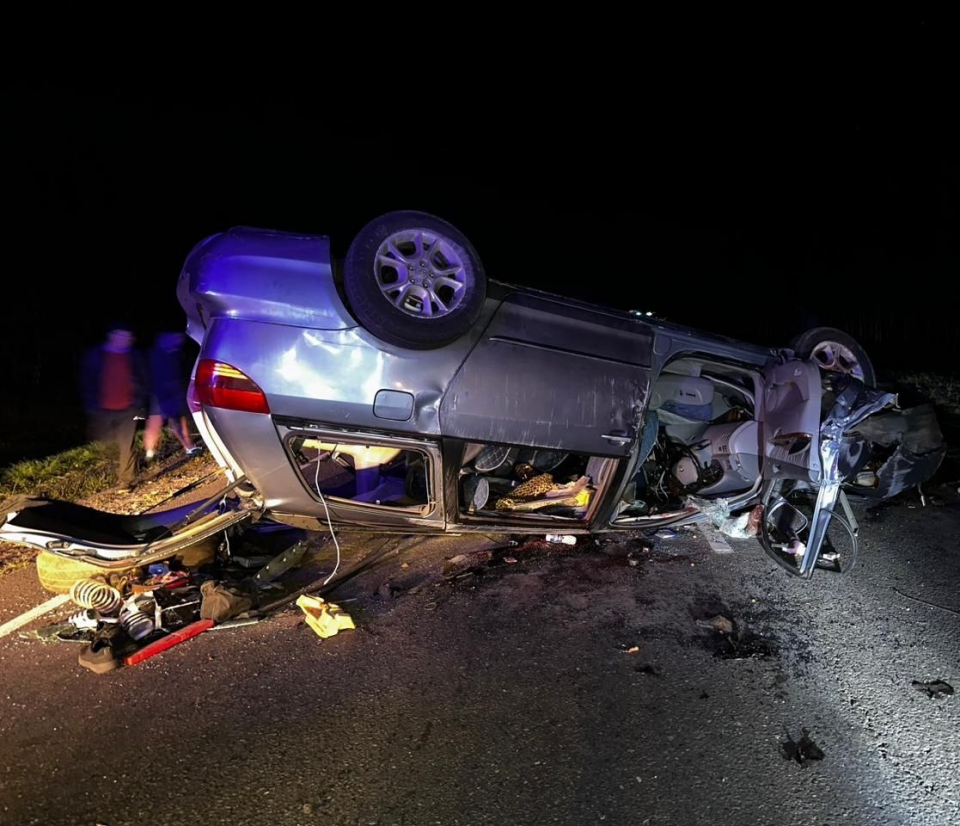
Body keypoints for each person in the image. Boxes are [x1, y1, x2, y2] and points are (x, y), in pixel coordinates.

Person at [80, 322, 149, 491]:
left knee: (127, 444)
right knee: (105, 442)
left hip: (129, 408)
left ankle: (125, 480)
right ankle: (104, 474)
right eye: (123, 335)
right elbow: (87, 382)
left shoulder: (135, 356)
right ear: (112, 336)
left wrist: (141, 408)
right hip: (103, 410)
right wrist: (91, 406)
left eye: (128, 336)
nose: (128, 339)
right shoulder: (96, 355)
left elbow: (144, 380)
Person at [143, 330, 201, 462]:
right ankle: (149, 453)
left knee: (178, 420)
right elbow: (153, 375)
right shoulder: (156, 354)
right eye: (176, 338)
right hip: (160, 393)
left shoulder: (175, 353)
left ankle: (189, 446)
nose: (180, 341)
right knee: (157, 422)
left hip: (174, 392)